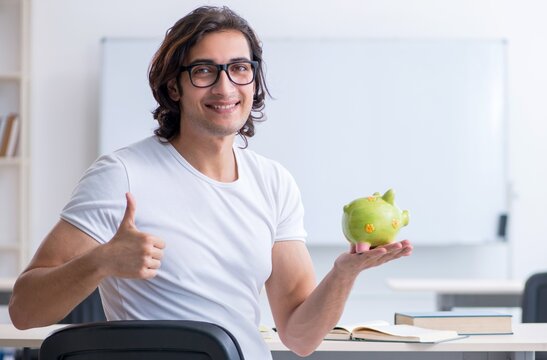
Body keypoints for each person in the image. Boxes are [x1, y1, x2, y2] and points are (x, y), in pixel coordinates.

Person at [8, 6, 413, 359]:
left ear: (253, 82)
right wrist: (101, 262)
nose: (225, 87)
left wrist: (344, 274)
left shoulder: (273, 182)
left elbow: (300, 337)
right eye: (204, 71)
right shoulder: (122, 175)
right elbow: (24, 311)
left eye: (239, 69)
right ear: (174, 86)